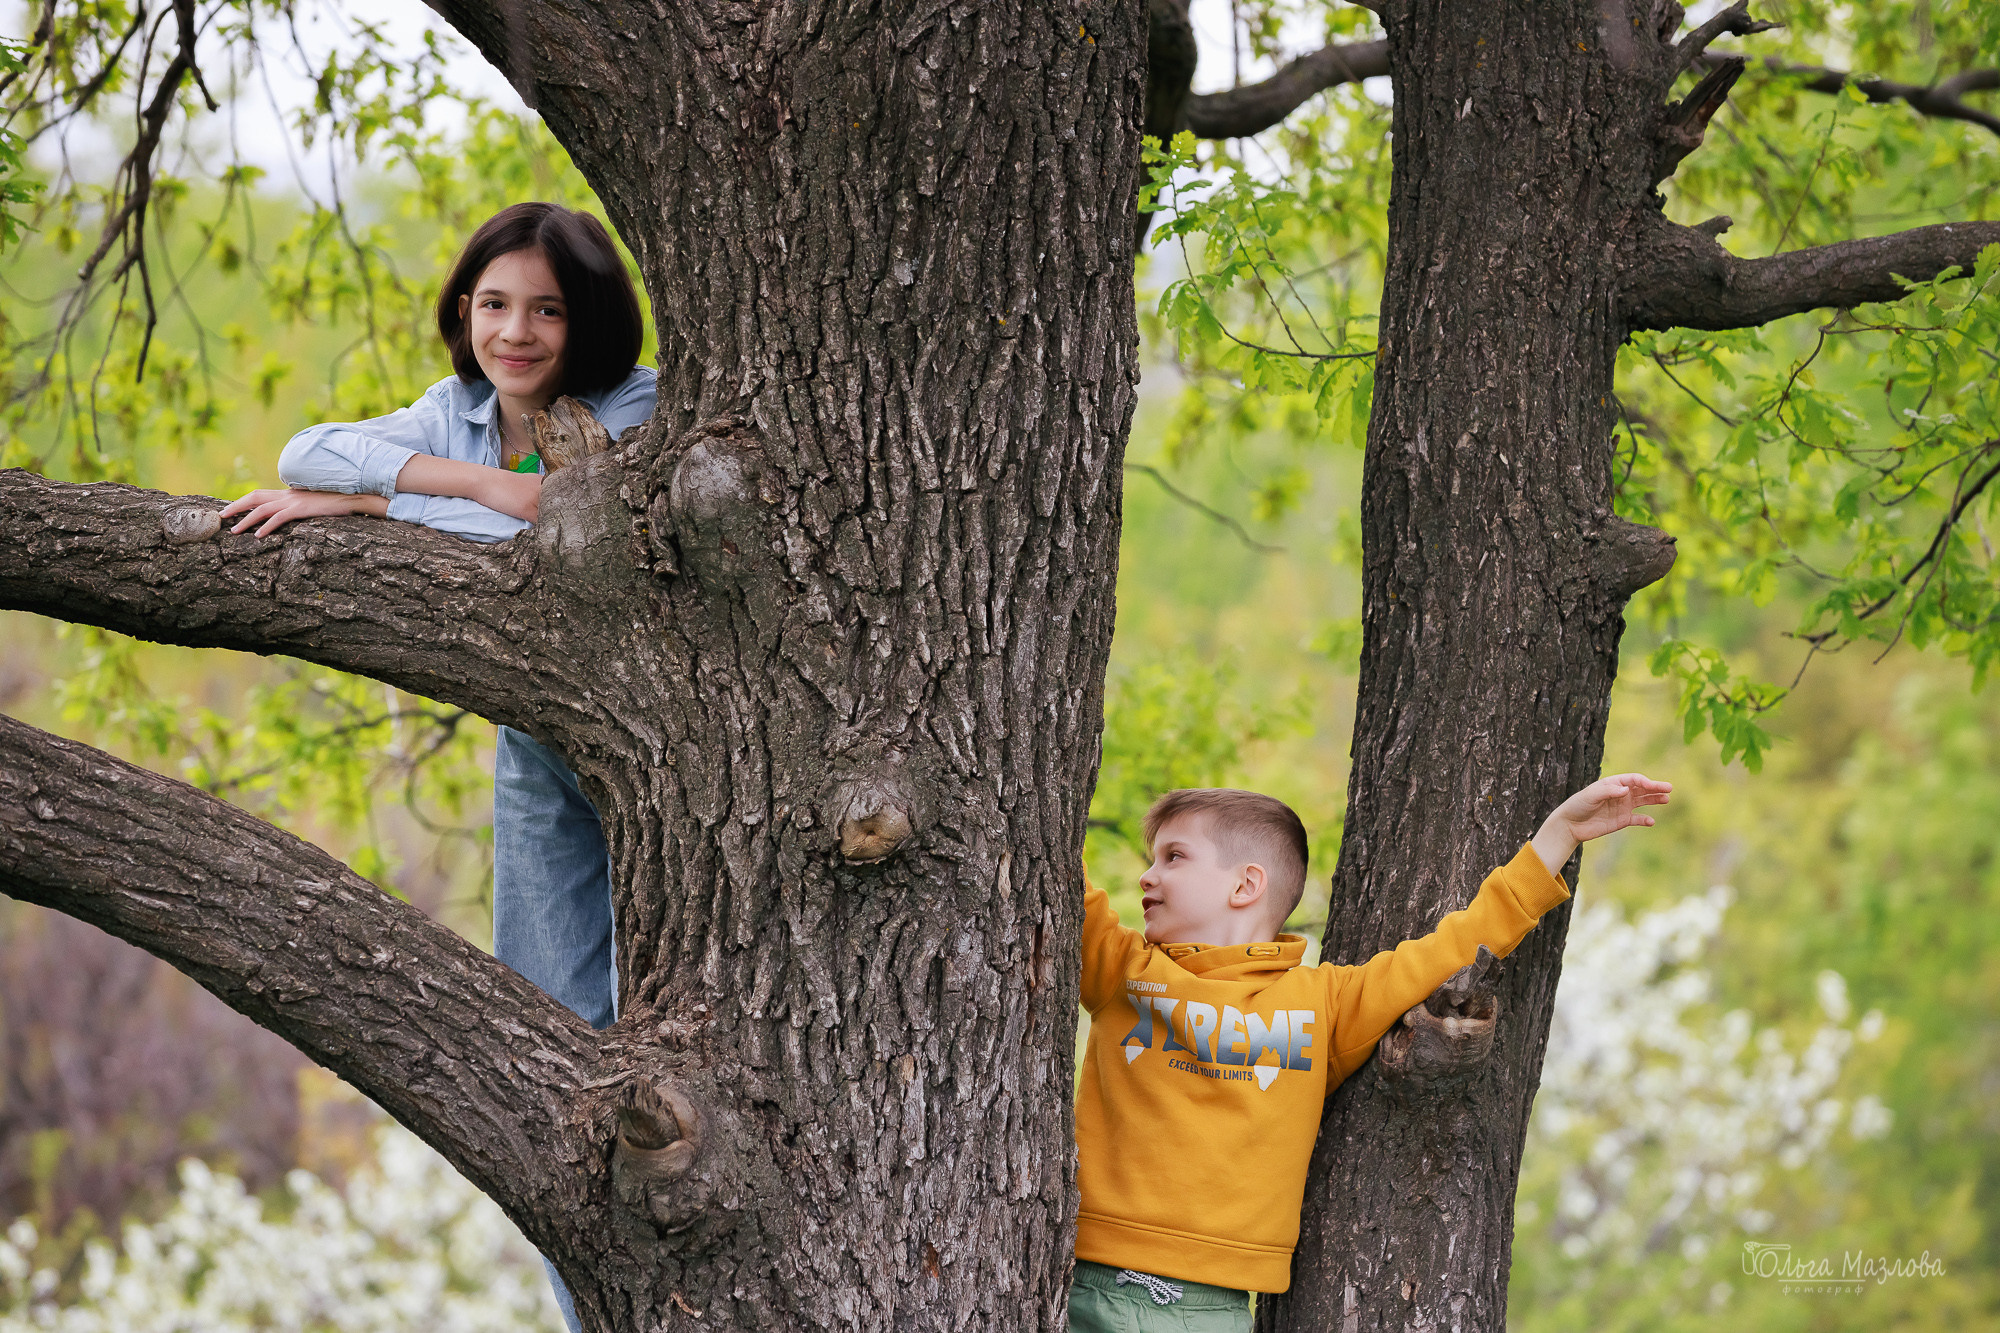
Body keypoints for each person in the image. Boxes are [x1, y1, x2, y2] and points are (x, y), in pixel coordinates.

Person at [219, 200, 651, 1332]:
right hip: (539, 756)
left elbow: (561, 541)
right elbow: (303, 451)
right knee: (556, 1038)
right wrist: (466, 482)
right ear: (464, 310)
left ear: (587, 319)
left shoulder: (635, 409)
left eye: (547, 308)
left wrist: (377, 501)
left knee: (673, 1030)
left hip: (661, 763)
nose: (516, 331)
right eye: (495, 303)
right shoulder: (454, 414)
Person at [1071, 774, 1672, 1331]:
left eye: (1173, 856)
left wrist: (1560, 833)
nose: (1148, 875)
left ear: (1246, 883)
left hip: (1211, 1307)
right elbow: (1049, 870)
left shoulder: (1324, 1002)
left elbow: (1458, 943)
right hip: (1075, 1274)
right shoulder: (1123, 970)